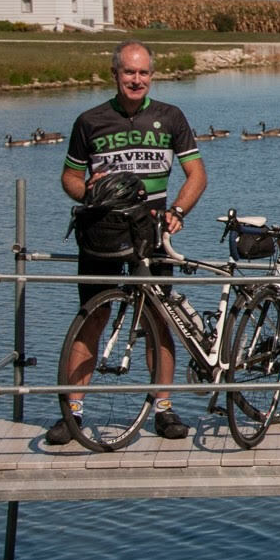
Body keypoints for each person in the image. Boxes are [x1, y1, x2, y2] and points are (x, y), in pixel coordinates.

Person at [51, 39, 208, 444]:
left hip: (150, 234)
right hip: (102, 233)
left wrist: (178, 212)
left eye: (143, 73)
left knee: (159, 319)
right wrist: (86, 190)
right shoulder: (90, 121)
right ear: (115, 74)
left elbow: (197, 175)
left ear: (151, 76)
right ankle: (73, 414)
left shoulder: (171, 117)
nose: (136, 80)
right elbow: (69, 177)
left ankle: (164, 408)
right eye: (128, 72)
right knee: (91, 318)